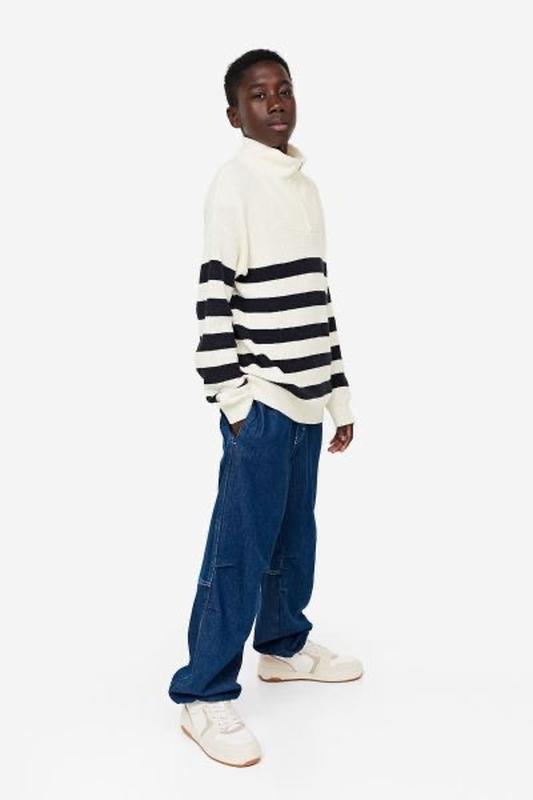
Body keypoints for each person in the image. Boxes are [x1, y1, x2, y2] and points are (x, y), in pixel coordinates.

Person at [168, 48, 364, 768]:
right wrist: (234, 400)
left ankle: (281, 645)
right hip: (262, 399)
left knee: (292, 533)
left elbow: (317, 298)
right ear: (234, 114)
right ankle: (202, 691)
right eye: (258, 94)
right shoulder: (234, 185)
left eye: (283, 89)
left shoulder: (304, 189)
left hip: (309, 400)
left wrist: (338, 393)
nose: (275, 102)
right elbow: (212, 297)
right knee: (240, 545)